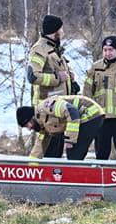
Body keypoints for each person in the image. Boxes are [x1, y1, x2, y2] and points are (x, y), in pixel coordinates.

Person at [27, 14, 78, 158]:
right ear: (55, 31)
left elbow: (58, 70)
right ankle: (44, 178)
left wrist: (70, 80)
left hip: (59, 108)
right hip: (48, 110)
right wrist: (57, 78)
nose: (63, 32)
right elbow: (33, 76)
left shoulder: (54, 48)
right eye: (61, 29)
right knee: (49, 152)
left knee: (56, 151)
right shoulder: (39, 49)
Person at [16, 95, 105, 160]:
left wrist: (70, 140)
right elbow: (40, 144)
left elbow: (72, 112)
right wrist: (31, 164)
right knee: (73, 154)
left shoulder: (47, 107)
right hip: (88, 118)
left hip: (90, 114)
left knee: (73, 154)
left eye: (27, 125)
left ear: (31, 118)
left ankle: (75, 181)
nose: (29, 128)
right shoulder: (42, 124)